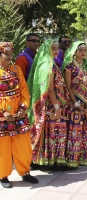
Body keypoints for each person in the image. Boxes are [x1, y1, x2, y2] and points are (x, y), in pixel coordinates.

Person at [0, 42, 38, 188]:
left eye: (10, 54)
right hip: (3, 117)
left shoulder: (16, 70)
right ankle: (3, 175)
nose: (9, 57)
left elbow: (23, 89)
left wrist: (23, 108)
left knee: (23, 144)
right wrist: (4, 112)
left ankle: (25, 172)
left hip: (19, 115)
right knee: (3, 147)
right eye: (6, 54)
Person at [27, 39, 69, 166]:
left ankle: (43, 160)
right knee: (53, 133)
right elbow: (50, 89)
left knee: (49, 133)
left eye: (57, 48)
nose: (56, 51)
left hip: (51, 104)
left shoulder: (48, 63)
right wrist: (57, 107)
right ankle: (50, 161)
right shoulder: (47, 65)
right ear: (47, 49)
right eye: (53, 48)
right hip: (51, 105)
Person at [62, 41, 87, 167]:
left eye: (85, 50)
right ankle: (74, 159)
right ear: (74, 52)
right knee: (76, 131)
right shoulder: (69, 67)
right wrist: (76, 104)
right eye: (80, 51)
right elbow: (68, 87)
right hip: (75, 104)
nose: (83, 53)